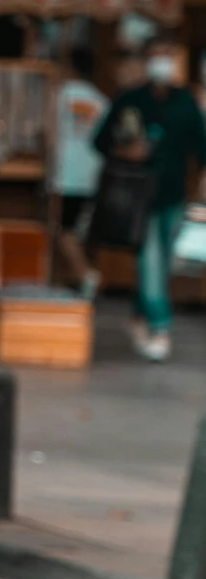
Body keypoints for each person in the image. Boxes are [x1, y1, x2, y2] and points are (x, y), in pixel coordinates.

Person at [95, 42, 206, 362]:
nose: (162, 63)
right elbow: (100, 141)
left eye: (167, 57)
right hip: (137, 196)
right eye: (157, 57)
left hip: (173, 193)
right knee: (150, 259)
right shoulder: (131, 100)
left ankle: (138, 314)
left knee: (162, 261)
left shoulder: (185, 102)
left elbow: (201, 146)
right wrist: (125, 152)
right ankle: (160, 325)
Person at [51, 45, 107, 298]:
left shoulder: (57, 96)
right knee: (77, 231)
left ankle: (86, 275)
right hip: (92, 176)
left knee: (63, 230)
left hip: (63, 175)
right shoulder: (102, 100)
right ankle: (78, 277)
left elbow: (47, 134)